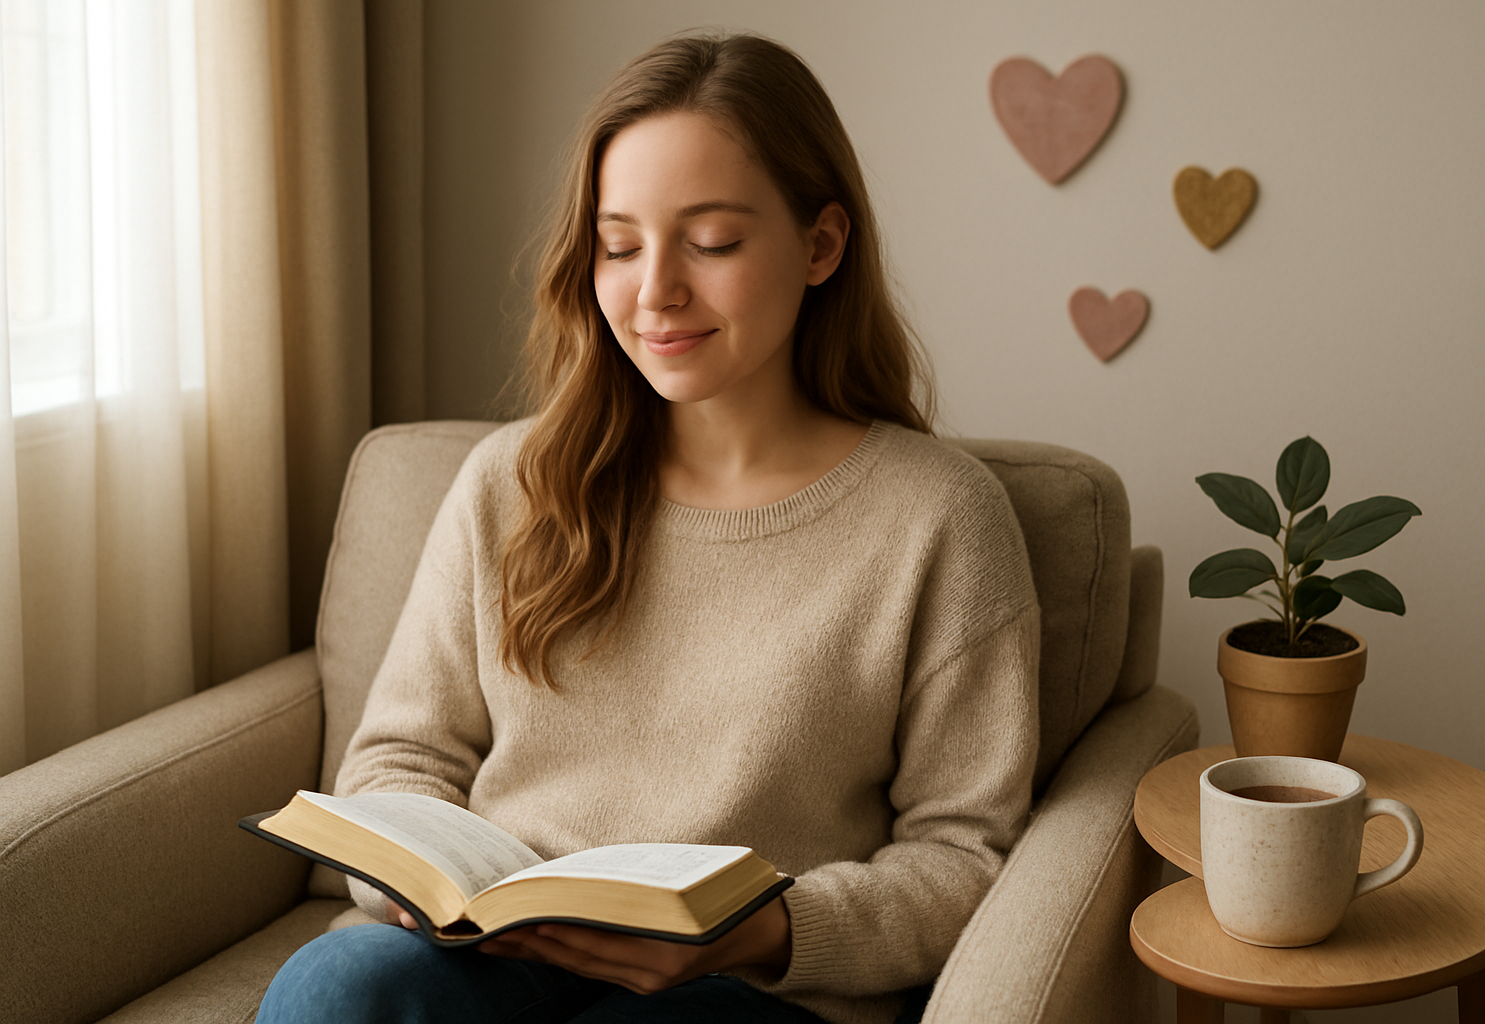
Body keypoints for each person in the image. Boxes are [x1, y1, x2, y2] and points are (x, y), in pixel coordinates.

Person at [256, 31, 1039, 1024]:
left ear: (821, 245)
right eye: (618, 244)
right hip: (492, 962)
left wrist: (763, 928)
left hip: (740, 987)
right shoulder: (513, 481)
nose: (655, 289)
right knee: (339, 985)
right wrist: (420, 885)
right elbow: (397, 761)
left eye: (711, 242)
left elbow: (965, 857)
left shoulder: (937, 516)